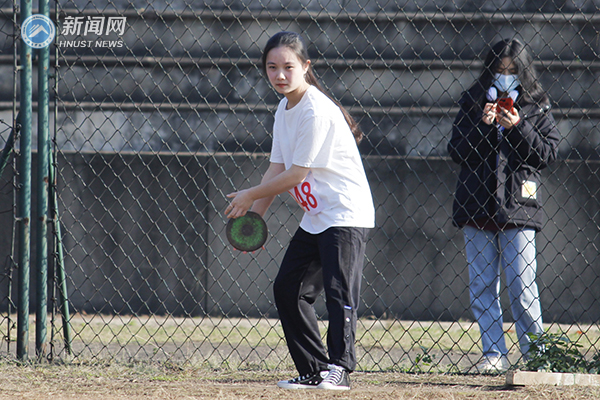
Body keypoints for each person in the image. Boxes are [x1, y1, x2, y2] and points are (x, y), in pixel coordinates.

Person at [225, 31, 375, 390]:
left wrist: (248, 195)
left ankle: (340, 370)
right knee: (288, 289)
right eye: (272, 67)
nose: (279, 75)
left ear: (306, 67)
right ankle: (315, 370)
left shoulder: (315, 109)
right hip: (317, 217)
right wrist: (254, 218)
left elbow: (296, 174)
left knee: (339, 294)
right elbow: (276, 168)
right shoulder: (284, 108)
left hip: (344, 214)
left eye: (288, 67)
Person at [448, 38, 560, 373]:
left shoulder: (537, 105)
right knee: (483, 285)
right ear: (489, 70)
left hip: (518, 207)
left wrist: (518, 127)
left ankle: (536, 355)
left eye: (512, 70)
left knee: (523, 285)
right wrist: (484, 127)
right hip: (476, 205)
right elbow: (456, 150)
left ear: (523, 71)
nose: (505, 76)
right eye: (499, 69)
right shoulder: (472, 101)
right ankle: (494, 352)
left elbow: (547, 153)